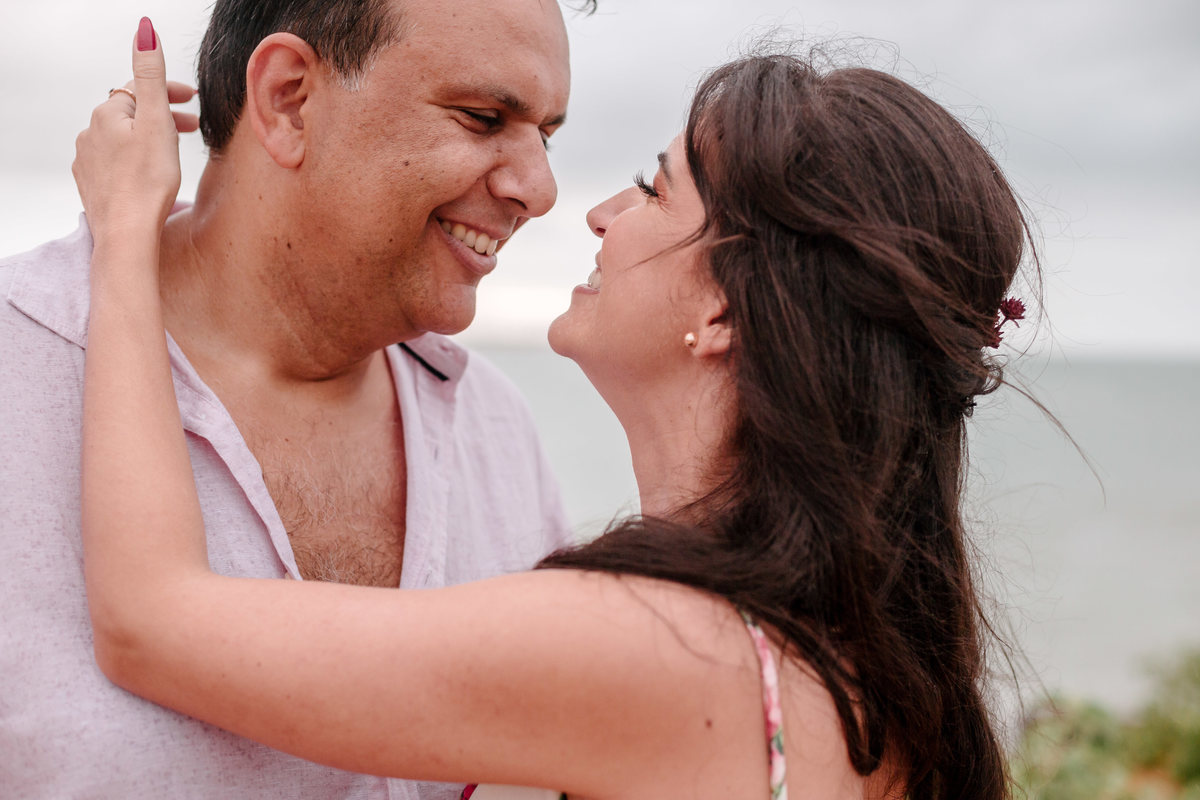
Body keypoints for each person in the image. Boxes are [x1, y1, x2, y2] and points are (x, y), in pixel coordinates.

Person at [74, 19, 1038, 800]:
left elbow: (151, 620)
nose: (588, 210)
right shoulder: (852, 669)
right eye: (483, 116)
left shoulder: (652, 647)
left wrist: (124, 234)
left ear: (724, 310)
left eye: (655, 190)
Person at [0, 2, 584, 797]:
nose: (540, 190)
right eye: (483, 118)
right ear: (288, 100)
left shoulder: (497, 428)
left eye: (546, 135)